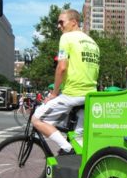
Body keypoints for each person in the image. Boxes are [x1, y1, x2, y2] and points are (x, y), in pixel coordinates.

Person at [32, 9, 100, 155]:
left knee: (37, 119)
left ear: (74, 22)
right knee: (78, 137)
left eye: (61, 22)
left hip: (73, 94)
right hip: (90, 95)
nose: (59, 26)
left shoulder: (67, 37)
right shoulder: (93, 43)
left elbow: (62, 67)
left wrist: (54, 93)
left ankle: (67, 149)